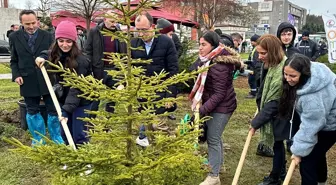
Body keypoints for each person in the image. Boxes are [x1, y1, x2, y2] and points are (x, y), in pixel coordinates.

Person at [189, 31, 240, 185]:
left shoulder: (220, 64)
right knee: (215, 137)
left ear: (213, 45)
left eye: (203, 44)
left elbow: (219, 94)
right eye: (199, 44)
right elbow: (194, 71)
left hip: (223, 106)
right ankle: (218, 166)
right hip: (214, 103)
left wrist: (201, 110)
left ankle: (213, 176)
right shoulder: (208, 59)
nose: (200, 48)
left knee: (213, 138)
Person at [279, 53, 336, 185]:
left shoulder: (312, 99)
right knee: (318, 153)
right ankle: (322, 182)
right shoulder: (314, 71)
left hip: (331, 127)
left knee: (308, 159)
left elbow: (311, 126)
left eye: (292, 76)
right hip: (322, 120)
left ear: (304, 73)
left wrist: (299, 151)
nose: (288, 79)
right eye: (285, 74)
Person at [250, 34, 299, 185]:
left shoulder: (282, 70)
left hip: (283, 112)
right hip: (278, 112)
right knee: (277, 144)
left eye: (263, 53)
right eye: (258, 52)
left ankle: (275, 177)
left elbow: (273, 102)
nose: (259, 56)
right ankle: (280, 172)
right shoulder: (272, 66)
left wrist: (255, 123)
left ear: (273, 51)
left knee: (278, 143)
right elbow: (264, 89)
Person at [35, 21, 92, 146]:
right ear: (56, 41)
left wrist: (65, 111)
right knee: (65, 132)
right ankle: (70, 159)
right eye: (61, 41)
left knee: (79, 134)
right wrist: (41, 57)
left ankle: (85, 161)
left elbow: (76, 89)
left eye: (68, 41)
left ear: (74, 42)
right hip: (64, 99)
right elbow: (47, 53)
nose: (64, 45)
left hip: (82, 100)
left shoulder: (81, 61)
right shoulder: (55, 54)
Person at [9, 10, 60, 146]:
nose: (31, 26)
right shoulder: (14, 37)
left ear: (37, 21)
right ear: (21, 23)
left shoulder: (48, 36)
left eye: (33, 23)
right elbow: (14, 60)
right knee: (32, 110)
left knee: (53, 109)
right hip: (27, 79)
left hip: (47, 79)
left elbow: (54, 56)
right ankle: (38, 139)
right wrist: (17, 75)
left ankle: (57, 138)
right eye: (27, 24)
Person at [131, 12, 178, 147]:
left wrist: (170, 95)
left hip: (161, 94)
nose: (140, 34)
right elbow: (132, 70)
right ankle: (153, 157)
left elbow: (173, 70)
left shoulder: (166, 42)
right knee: (147, 129)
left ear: (152, 27)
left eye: (144, 30)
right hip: (142, 97)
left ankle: (166, 155)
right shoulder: (133, 44)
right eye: (137, 30)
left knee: (159, 127)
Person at [84, 11, 126, 113]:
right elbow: (87, 51)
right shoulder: (95, 32)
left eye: (116, 21)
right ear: (105, 20)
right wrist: (89, 69)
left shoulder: (119, 34)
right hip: (98, 69)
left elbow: (124, 52)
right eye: (112, 21)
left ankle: (108, 122)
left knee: (112, 99)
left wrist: (122, 69)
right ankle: (91, 123)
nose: (114, 24)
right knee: (95, 98)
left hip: (114, 70)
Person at [276, 22, 301, 153]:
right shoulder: (276, 51)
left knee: (293, 117)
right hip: (279, 90)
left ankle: (292, 141)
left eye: (289, 34)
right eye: (283, 34)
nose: (286, 37)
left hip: (293, 91)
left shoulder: (296, 52)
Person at [156, 18, 182, 120]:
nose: (171, 38)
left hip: (166, 89)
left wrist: (175, 56)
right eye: (170, 34)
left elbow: (173, 72)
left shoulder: (170, 46)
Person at [245, 34, 261, 99]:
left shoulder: (257, 49)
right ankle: (254, 91)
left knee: (252, 80)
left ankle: (253, 93)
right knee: (252, 80)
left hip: (254, 68)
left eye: (253, 41)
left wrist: (252, 66)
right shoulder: (254, 49)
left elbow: (256, 60)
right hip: (252, 67)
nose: (251, 42)